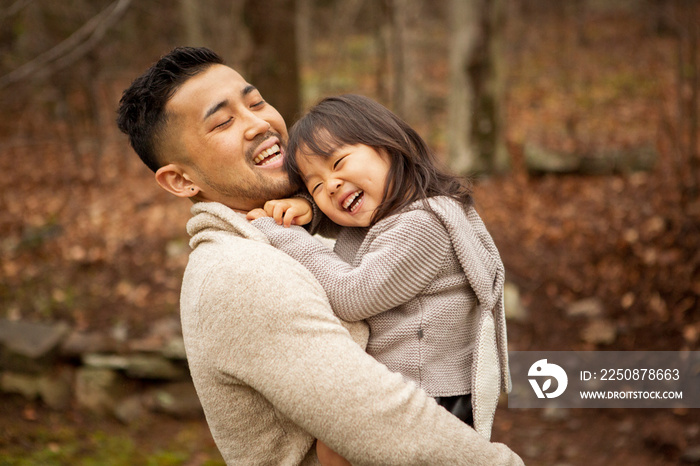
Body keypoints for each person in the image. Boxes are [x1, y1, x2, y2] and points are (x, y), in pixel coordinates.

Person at [116, 46, 522, 465]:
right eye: (223, 122)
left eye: (256, 103)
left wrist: (307, 212)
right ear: (181, 180)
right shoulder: (240, 272)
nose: (259, 123)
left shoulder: (286, 231)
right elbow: (377, 419)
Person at [248, 94, 511, 463]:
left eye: (338, 163)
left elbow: (352, 295)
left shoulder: (424, 225)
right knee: (332, 441)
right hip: (412, 389)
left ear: (389, 145)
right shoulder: (392, 214)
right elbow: (356, 234)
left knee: (335, 441)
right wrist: (309, 213)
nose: (333, 186)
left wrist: (282, 234)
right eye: (317, 186)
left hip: (430, 396)